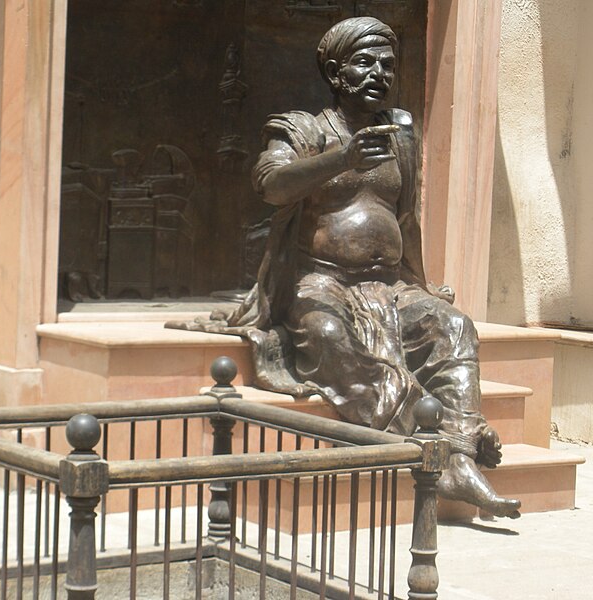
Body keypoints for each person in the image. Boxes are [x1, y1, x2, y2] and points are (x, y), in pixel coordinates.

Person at [170, 16, 520, 518]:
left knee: (454, 327)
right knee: (330, 337)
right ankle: (446, 452)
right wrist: (341, 158)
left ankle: (457, 448)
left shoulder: (400, 134)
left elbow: (406, 219)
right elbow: (270, 185)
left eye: (388, 64)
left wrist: (422, 286)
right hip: (321, 282)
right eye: (364, 61)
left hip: (390, 286)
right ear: (336, 73)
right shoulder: (304, 129)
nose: (380, 72)